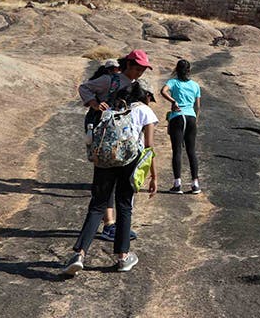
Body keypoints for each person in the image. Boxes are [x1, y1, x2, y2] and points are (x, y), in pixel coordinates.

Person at [63, 75, 158, 275]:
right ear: (145, 96)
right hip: (129, 161)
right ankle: (123, 257)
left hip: (105, 160)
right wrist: (153, 176)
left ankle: (79, 254)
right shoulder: (145, 111)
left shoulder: (112, 110)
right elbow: (149, 147)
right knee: (124, 207)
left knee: (97, 206)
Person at [80, 52, 151, 240]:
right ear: (128, 64)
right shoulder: (109, 80)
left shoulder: (136, 85)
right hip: (104, 136)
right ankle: (109, 224)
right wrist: (95, 103)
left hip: (124, 139)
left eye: (142, 70)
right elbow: (84, 88)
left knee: (118, 181)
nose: (139, 73)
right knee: (106, 180)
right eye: (137, 69)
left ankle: (113, 226)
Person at [160, 59, 202, 194]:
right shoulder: (195, 85)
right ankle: (195, 184)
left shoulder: (173, 82)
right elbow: (198, 106)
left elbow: (163, 91)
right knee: (191, 151)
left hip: (177, 116)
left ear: (176, 70)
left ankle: (177, 184)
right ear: (189, 70)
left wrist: (173, 101)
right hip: (191, 117)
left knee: (177, 150)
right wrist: (196, 120)